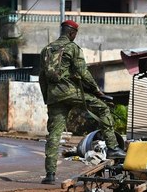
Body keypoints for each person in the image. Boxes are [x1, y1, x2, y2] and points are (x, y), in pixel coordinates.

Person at [38, 20, 126, 184]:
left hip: (54, 97)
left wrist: (48, 99)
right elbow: (83, 72)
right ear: (72, 33)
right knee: (103, 109)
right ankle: (113, 148)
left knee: (54, 135)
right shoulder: (72, 47)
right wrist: (96, 90)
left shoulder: (46, 50)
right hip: (70, 92)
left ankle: (50, 175)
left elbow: (42, 78)